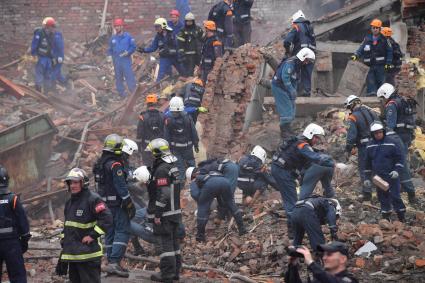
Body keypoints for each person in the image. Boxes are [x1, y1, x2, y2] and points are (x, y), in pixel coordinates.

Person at [271, 123, 335, 237]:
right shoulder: (302, 145)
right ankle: (293, 231)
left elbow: (303, 164)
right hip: (282, 171)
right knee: (291, 201)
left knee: (290, 199)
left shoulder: (299, 143)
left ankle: (294, 227)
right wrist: (329, 160)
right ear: (310, 134)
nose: (317, 140)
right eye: (316, 137)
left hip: (281, 169)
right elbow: (314, 157)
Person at [58, 168, 113, 283]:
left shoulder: (93, 199)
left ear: (84, 183)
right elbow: (68, 228)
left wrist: (93, 235)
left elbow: (107, 218)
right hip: (73, 257)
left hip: (89, 256)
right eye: (70, 183)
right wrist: (63, 255)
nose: (72, 185)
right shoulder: (69, 203)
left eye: (76, 182)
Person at [93, 135, 136, 277]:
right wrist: (129, 203)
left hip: (104, 205)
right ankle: (115, 262)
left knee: (110, 232)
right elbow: (121, 186)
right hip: (117, 204)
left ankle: (111, 261)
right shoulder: (115, 165)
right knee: (123, 231)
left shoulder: (100, 163)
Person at [146, 138, 182, 282]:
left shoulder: (161, 169)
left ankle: (166, 274)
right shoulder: (172, 166)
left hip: (165, 214)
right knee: (174, 244)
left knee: (165, 244)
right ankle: (175, 273)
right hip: (175, 213)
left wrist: (158, 214)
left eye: (152, 153)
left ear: (157, 153)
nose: (150, 155)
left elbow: (164, 193)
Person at [377, 83, 417, 203]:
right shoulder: (402, 101)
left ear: (386, 95)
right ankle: (400, 188)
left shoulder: (392, 105)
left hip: (398, 138)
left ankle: (410, 192)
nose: (382, 101)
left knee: (400, 164)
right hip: (406, 136)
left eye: (382, 98)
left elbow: (390, 126)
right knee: (402, 161)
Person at [186, 164, 247, 242]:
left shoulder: (194, 180)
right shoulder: (209, 172)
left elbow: (196, 195)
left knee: (202, 207)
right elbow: (218, 193)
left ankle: (200, 237)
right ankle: (242, 229)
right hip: (225, 181)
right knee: (231, 204)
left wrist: (204, 201)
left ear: (191, 176)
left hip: (212, 184)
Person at [364, 121, 406, 221]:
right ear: (372, 134)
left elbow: (400, 158)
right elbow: (367, 164)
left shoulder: (392, 142)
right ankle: (386, 217)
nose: (378, 135)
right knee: (382, 197)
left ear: (383, 131)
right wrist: (366, 178)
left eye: (379, 132)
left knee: (395, 196)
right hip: (379, 177)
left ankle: (402, 217)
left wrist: (396, 170)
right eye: (375, 133)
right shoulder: (370, 145)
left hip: (391, 175)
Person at [272, 48, 315, 138]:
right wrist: (291, 90)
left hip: (285, 88)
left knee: (292, 109)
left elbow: (295, 79)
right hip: (279, 87)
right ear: (303, 57)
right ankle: (284, 132)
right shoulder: (290, 63)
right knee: (286, 110)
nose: (307, 63)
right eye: (307, 60)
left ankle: (288, 129)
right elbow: (285, 77)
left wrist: (293, 91)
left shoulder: (297, 65)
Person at [344, 95, 379, 202]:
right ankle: (381, 191)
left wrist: (348, 149)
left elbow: (351, 135)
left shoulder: (353, 117)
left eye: (349, 107)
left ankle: (367, 193)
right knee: (377, 169)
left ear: (352, 105)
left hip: (365, 147)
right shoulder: (372, 112)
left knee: (365, 170)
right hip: (377, 144)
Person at [0, 165, 31, 283]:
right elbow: (22, 220)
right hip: (12, 244)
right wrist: (25, 239)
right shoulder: (13, 199)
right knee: (17, 276)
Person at [352, 19, 393, 96]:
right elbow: (361, 48)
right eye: (373, 28)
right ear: (371, 28)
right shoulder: (367, 39)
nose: (375, 29)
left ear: (380, 29)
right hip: (369, 66)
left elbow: (389, 51)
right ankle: (372, 97)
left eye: (376, 28)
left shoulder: (384, 39)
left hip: (380, 66)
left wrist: (388, 63)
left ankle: (381, 97)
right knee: (370, 82)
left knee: (381, 81)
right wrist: (356, 56)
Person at [285, 242, 359, 283]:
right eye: (324, 254)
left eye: (329, 254)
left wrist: (311, 263)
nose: (324, 258)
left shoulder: (349, 280)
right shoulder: (319, 279)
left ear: (342, 259)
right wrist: (293, 265)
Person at [164, 97, 199, 182]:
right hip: (187, 146)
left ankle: (180, 186)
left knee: (180, 167)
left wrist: (167, 148)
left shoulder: (167, 119)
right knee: (191, 163)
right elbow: (193, 131)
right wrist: (196, 144)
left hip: (175, 148)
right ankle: (195, 182)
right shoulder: (188, 116)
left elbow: (166, 135)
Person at [283, 10, 316, 97]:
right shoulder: (310, 27)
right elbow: (314, 42)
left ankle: (294, 92)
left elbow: (287, 41)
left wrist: (287, 51)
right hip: (311, 54)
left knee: (294, 71)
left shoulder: (296, 25)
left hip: (300, 53)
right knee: (307, 73)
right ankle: (306, 92)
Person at [31, 17, 65, 94]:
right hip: (41, 57)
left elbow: (57, 46)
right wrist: (34, 54)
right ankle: (39, 92)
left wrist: (57, 56)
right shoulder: (39, 32)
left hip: (48, 58)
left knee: (47, 74)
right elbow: (34, 44)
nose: (52, 28)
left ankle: (46, 92)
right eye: (51, 27)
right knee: (40, 73)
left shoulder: (53, 34)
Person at [107, 18, 137, 98]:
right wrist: (109, 57)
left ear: (122, 27)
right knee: (118, 78)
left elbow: (133, 47)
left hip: (126, 60)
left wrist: (128, 52)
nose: (117, 28)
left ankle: (133, 92)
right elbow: (110, 49)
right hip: (116, 61)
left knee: (129, 76)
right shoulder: (113, 38)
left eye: (118, 26)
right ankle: (122, 94)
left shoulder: (128, 36)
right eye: (115, 26)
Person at [136, 94, 165, 167]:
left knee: (148, 165)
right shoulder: (162, 116)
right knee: (159, 163)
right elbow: (165, 131)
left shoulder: (143, 116)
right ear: (156, 103)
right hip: (159, 144)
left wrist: (139, 146)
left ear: (147, 104)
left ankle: (149, 177)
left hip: (147, 145)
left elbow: (140, 133)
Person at [176, 12, 204, 77]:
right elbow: (180, 44)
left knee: (202, 69)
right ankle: (189, 84)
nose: (189, 23)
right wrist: (182, 54)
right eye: (187, 21)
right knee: (189, 72)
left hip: (198, 54)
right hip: (188, 56)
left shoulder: (198, 29)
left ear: (193, 21)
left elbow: (203, 39)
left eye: (190, 21)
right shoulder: (182, 31)